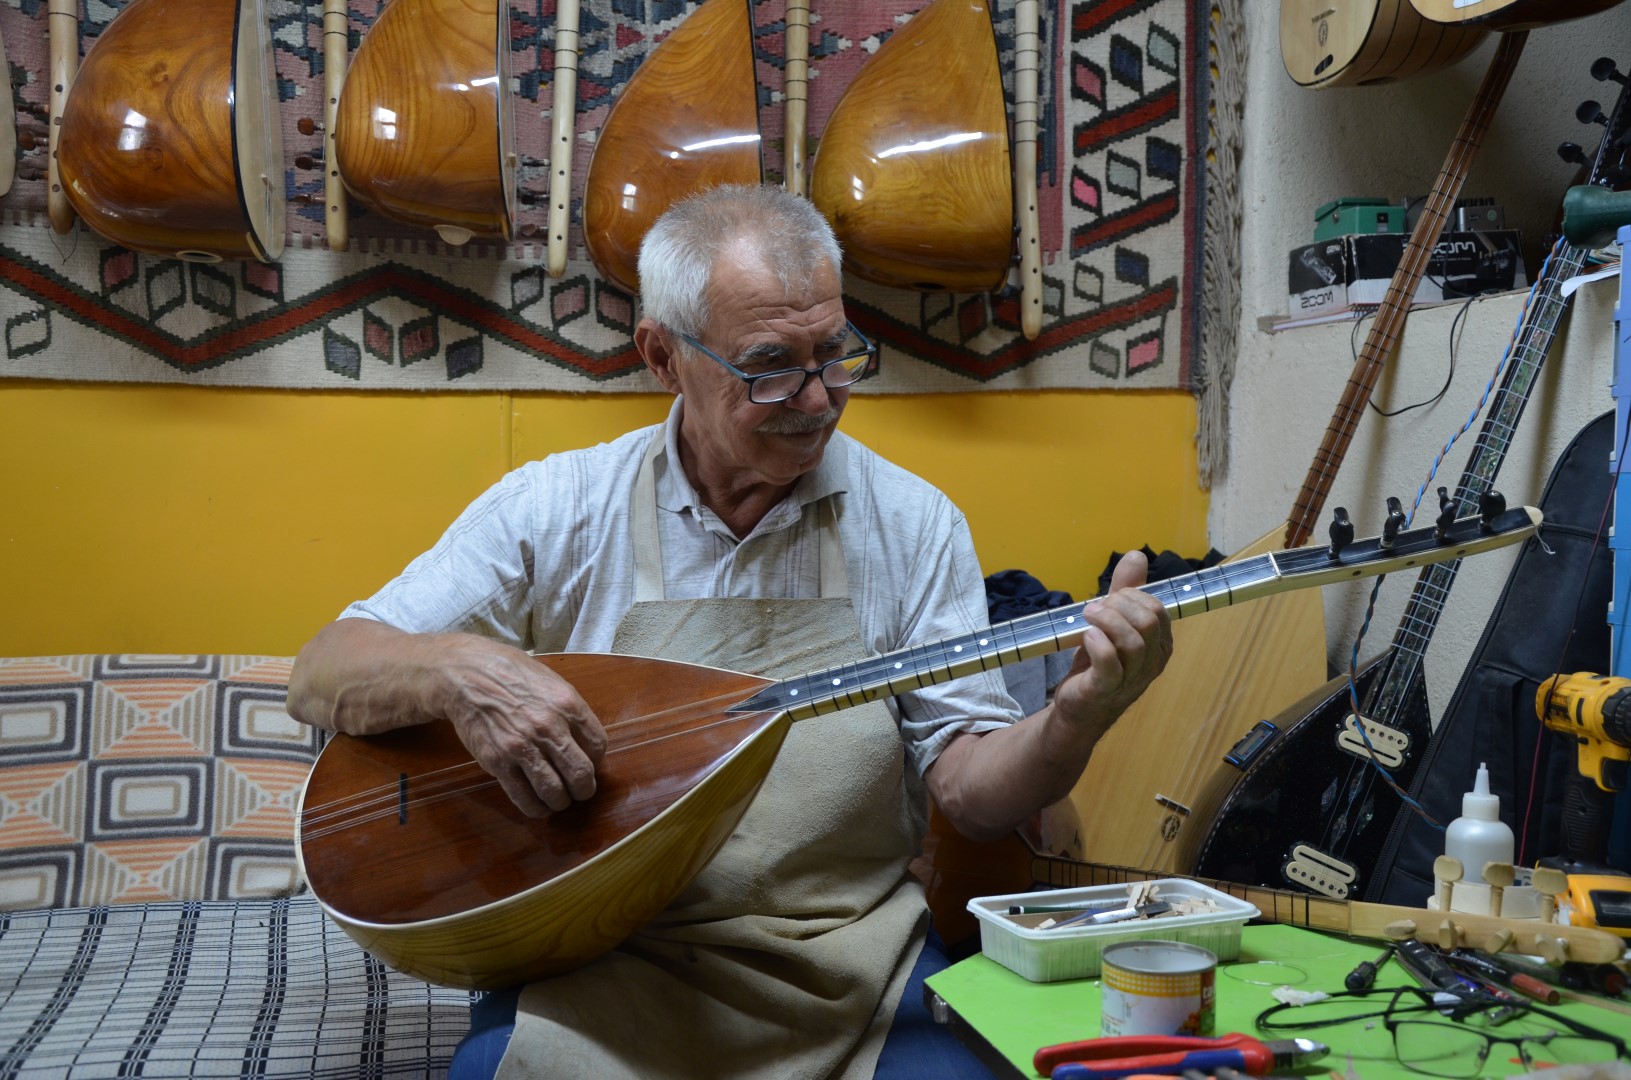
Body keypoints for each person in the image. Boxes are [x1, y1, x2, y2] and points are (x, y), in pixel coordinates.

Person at [287, 184, 1172, 1080]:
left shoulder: (912, 522)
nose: (819, 397)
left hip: (852, 962)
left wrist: (1074, 719)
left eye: (835, 352)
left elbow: (973, 796)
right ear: (663, 357)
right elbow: (322, 669)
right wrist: (462, 672)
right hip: (596, 956)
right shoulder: (554, 508)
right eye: (769, 365)